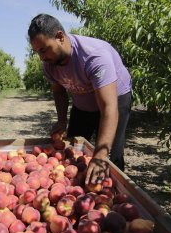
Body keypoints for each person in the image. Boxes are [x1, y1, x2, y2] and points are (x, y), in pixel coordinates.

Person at [28, 14, 132, 185]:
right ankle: (75, 186)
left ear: (60, 37)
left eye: (44, 49)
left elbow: (108, 107)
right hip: (82, 100)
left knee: (109, 155)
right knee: (72, 150)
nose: (41, 57)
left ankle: (110, 192)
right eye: (37, 52)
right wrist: (62, 121)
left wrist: (100, 155)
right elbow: (59, 92)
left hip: (115, 99)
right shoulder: (49, 65)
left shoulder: (94, 56)